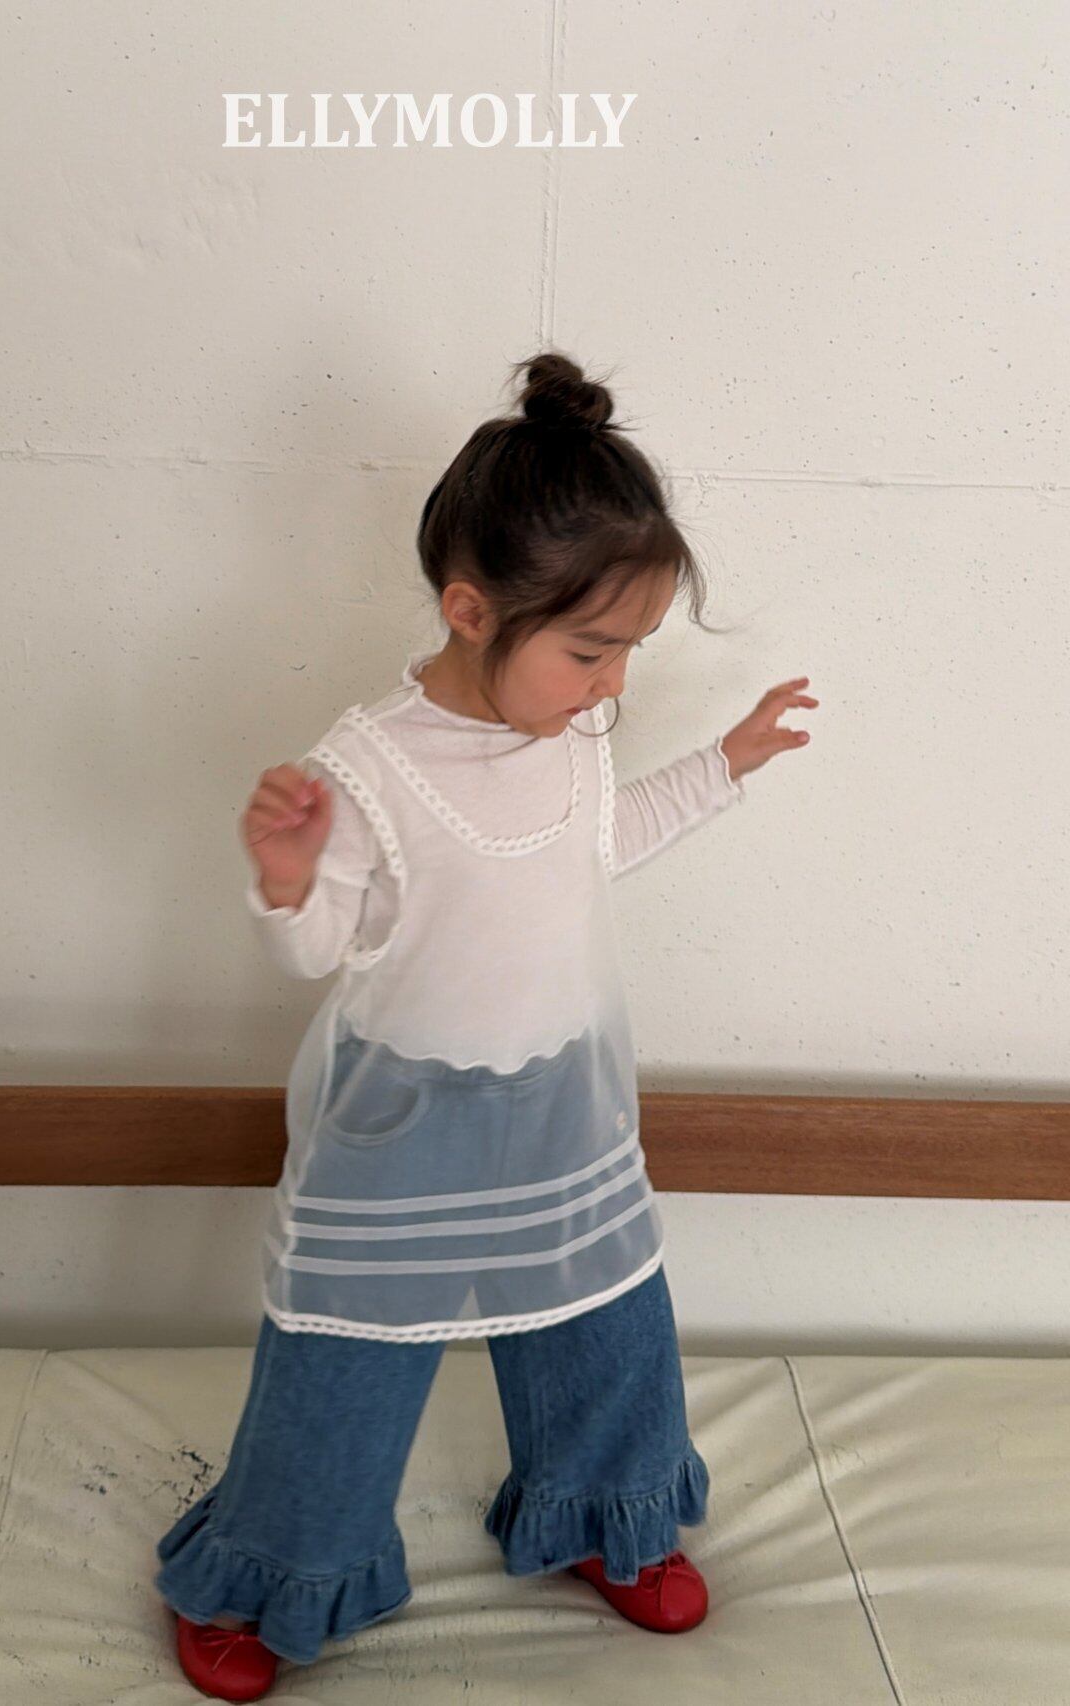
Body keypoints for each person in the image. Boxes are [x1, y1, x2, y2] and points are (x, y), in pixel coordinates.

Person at [155, 350, 818, 1701]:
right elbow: (319, 952)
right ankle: (277, 1565)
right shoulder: (369, 767)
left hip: (561, 1098)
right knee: (343, 1358)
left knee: (604, 1322)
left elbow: (597, 847)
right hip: (404, 1121)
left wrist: (727, 764)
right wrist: (287, 881)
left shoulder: (573, 740)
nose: (611, 686)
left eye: (628, 652)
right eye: (591, 651)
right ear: (471, 611)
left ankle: (610, 1510)